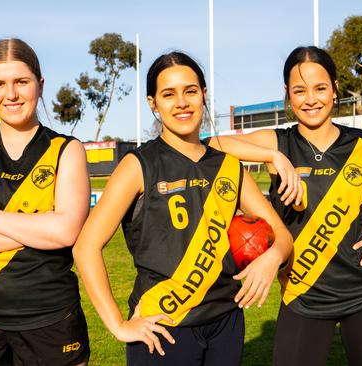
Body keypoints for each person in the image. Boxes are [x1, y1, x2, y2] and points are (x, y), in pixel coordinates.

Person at [207, 46, 362, 366]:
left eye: (320, 88)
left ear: (335, 89)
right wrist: (273, 157)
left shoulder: (361, 144)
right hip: (302, 293)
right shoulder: (277, 143)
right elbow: (211, 145)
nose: (311, 99)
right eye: (299, 90)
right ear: (287, 94)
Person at [72, 51, 293, 366]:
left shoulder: (228, 166)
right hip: (163, 329)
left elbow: (281, 233)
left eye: (190, 91)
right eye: (168, 94)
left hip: (226, 322)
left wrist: (273, 257)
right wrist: (118, 325)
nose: (182, 102)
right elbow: (86, 247)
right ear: (153, 102)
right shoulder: (138, 165)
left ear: (204, 94)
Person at [0, 38, 91, 366]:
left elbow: (66, 233)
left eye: (21, 82)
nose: (10, 94)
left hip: (51, 319)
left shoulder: (67, 150)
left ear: (40, 84)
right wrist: (40, 226)